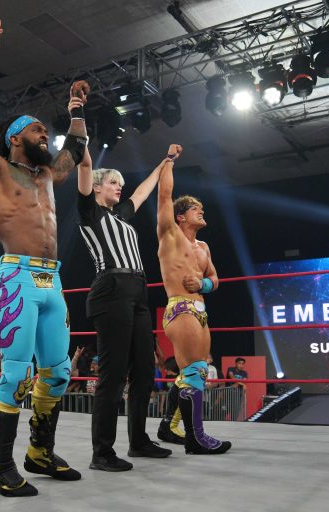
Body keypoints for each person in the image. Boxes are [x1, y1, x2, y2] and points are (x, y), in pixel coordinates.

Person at [0, 16, 88, 497]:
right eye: (36, 129)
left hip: (53, 281)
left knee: (59, 372)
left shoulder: (47, 175)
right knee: (15, 373)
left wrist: (75, 109)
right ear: (15, 137)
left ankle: (39, 452)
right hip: (17, 278)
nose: (44, 134)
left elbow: (76, 147)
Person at [76, 146, 174, 470]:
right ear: (97, 186)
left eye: (120, 184)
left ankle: (139, 441)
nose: (119, 187)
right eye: (113, 183)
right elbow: (84, 168)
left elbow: (143, 191)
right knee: (113, 373)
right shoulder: (90, 212)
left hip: (138, 291)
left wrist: (165, 162)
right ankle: (102, 453)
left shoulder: (120, 216)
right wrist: (80, 132)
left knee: (145, 369)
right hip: (111, 288)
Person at [155, 144, 231, 455]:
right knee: (193, 372)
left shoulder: (204, 248)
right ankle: (195, 438)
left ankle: (169, 426)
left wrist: (203, 283)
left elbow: (215, 279)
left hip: (200, 310)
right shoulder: (170, 235)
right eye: (195, 209)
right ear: (181, 216)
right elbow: (164, 196)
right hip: (181, 308)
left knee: (195, 371)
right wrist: (169, 161)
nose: (202, 212)